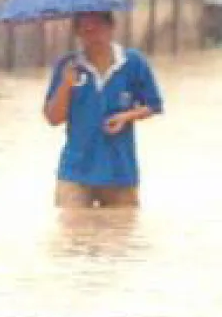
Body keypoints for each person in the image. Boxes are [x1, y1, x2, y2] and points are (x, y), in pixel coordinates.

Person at [43, 11, 163, 208]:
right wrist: (66, 85)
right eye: (86, 30)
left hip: (120, 170)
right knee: (70, 225)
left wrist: (126, 116)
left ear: (111, 28)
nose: (94, 36)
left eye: (98, 28)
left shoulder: (133, 63)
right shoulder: (67, 66)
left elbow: (154, 105)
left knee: (122, 225)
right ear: (78, 33)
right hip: (75, 171)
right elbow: (53, 118)